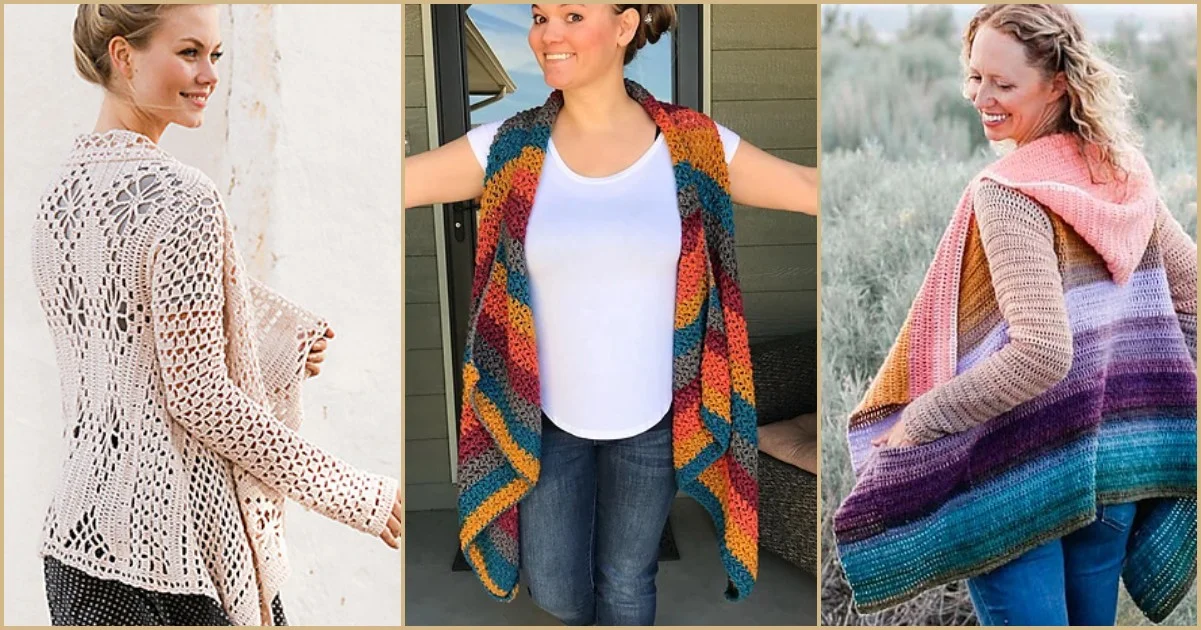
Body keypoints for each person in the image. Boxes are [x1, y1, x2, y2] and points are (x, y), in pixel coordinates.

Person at [405, 3, 816, 625]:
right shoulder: (508, 147)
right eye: (541, 16)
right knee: (555, 587)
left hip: (650, 417)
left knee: (628, 579)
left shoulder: (694, 146)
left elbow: (813, 189)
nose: (548, 35)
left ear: (625, 26)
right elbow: (390, 184)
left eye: (573, 15)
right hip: (540, 417)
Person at [32, 4, 402, 625]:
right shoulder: (184, 199)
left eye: (218, 55)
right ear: (123, 56)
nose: (209, 73)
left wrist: (277, 346)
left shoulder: (61, 196)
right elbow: (199, 395)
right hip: (173, 560)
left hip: (76, 545)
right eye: (188, 52)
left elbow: (135, 336)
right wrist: (351, 492)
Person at [833, 4, 1196, 626]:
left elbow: (1041, 354)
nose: (981, 96)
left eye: (1003, 84)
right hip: (1111, 469)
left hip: (1014, 478)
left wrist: (922, 417)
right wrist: (1147, 399)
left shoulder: (1009, 193)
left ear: (1057, 83)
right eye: (974, 76)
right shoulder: (1123, 175)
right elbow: (1191, 296)